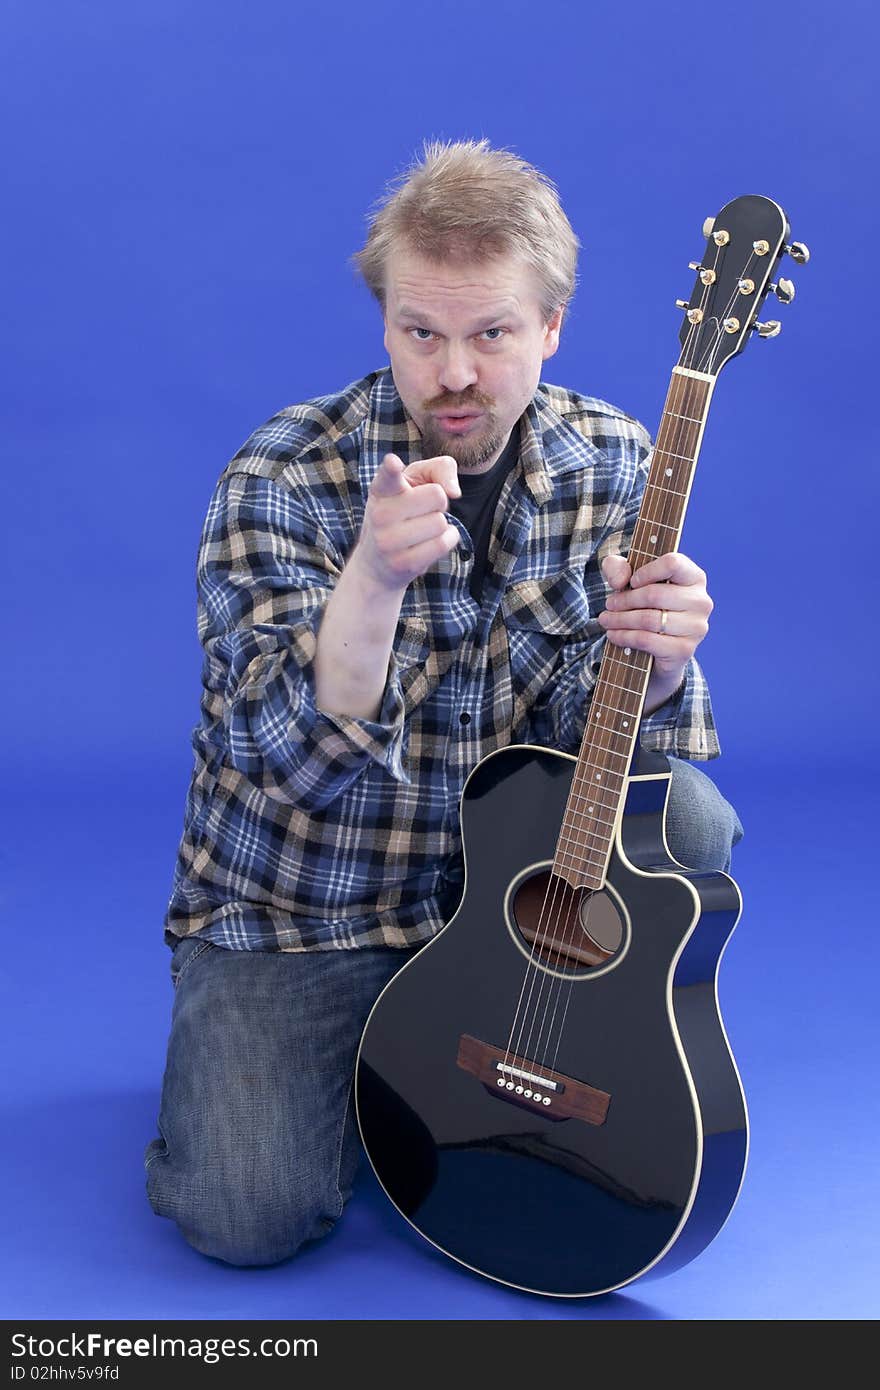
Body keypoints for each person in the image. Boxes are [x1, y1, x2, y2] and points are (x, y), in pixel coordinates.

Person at [144, 137, 743, 1266]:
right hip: (310, 908)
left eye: (490, 334)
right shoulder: (282, 475)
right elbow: (280, 769)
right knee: (246, 1218)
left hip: (498, 910)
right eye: (420, 332)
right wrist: (367, 584)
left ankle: (598, 1037)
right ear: (384, 325)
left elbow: (594, 744)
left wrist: (655, 663)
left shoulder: (612, 461)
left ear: (551, 327)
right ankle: (289, 1066)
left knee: (691, 824)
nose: (452, 373)